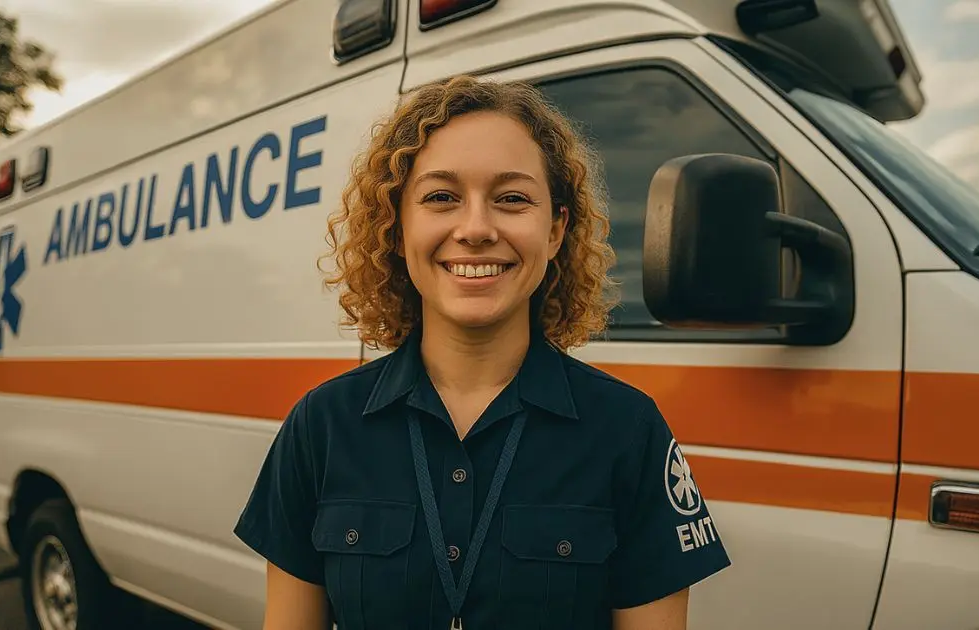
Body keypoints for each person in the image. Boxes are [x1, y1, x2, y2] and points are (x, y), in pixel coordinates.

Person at [233, 75, 730, 630]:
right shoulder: (321, 426)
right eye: (441, 197)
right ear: (398, 227)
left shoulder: (628, 430)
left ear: (556, 230)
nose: (475, 228)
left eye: (512, 199)